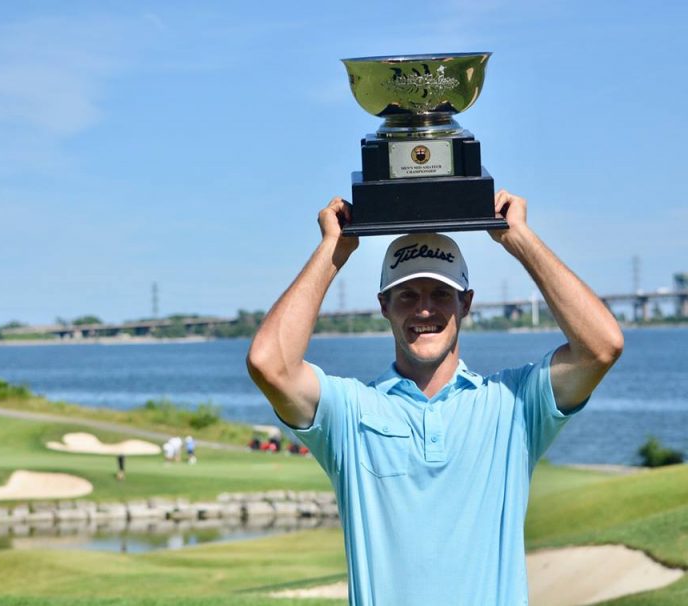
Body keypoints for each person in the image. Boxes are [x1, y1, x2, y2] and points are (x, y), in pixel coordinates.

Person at [246, 191, 624, 605]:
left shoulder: (512, 404)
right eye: (407, 294)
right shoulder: (351, 412)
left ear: (466, 303)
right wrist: (333, 250)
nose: (424, 310)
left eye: (441, 293)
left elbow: (601, 347)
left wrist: (519, 237)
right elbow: (270, 365)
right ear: (384, 305)